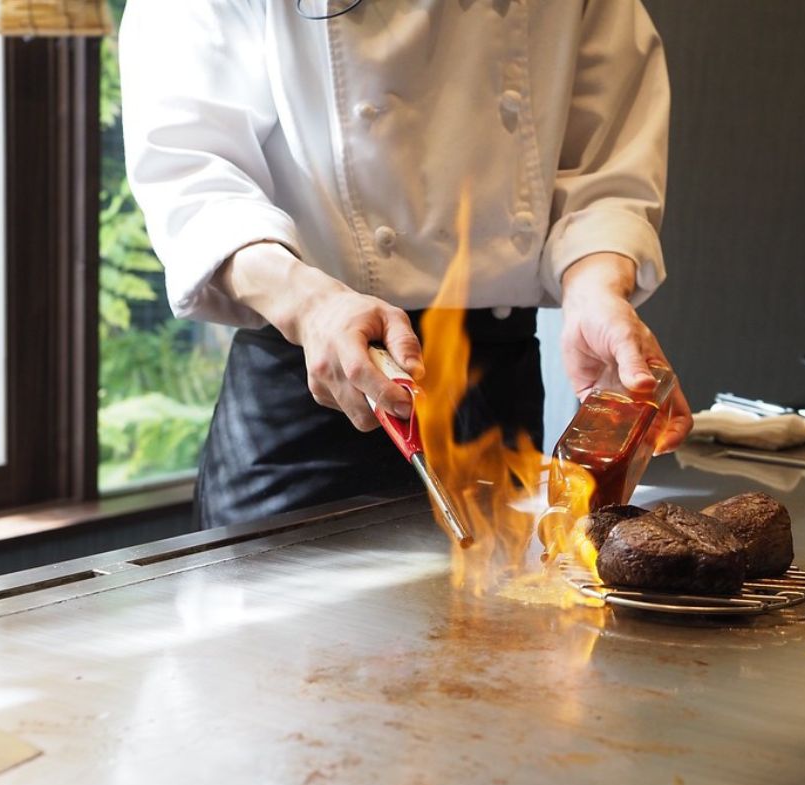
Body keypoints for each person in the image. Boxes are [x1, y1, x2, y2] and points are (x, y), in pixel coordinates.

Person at [119, 0, 693, 529]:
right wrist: (311, 305)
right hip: (313, 388)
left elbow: (605, 168)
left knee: (497, 632)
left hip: (498, 389)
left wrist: (596, 289)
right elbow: (191, 175)